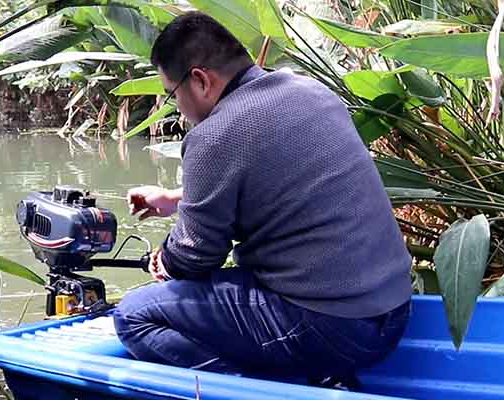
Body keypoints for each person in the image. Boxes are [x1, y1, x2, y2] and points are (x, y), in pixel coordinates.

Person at [113, 11, 412, 382]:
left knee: (134, 315)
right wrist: (177, 199)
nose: (177, 108)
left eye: (172, 96)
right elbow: (285, 183)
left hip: (334, 329)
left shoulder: (213, 135)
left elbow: (196, 256)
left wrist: (167, 259)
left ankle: (243, 389)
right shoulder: (310, 90)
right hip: (395, 313)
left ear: (200, 80)